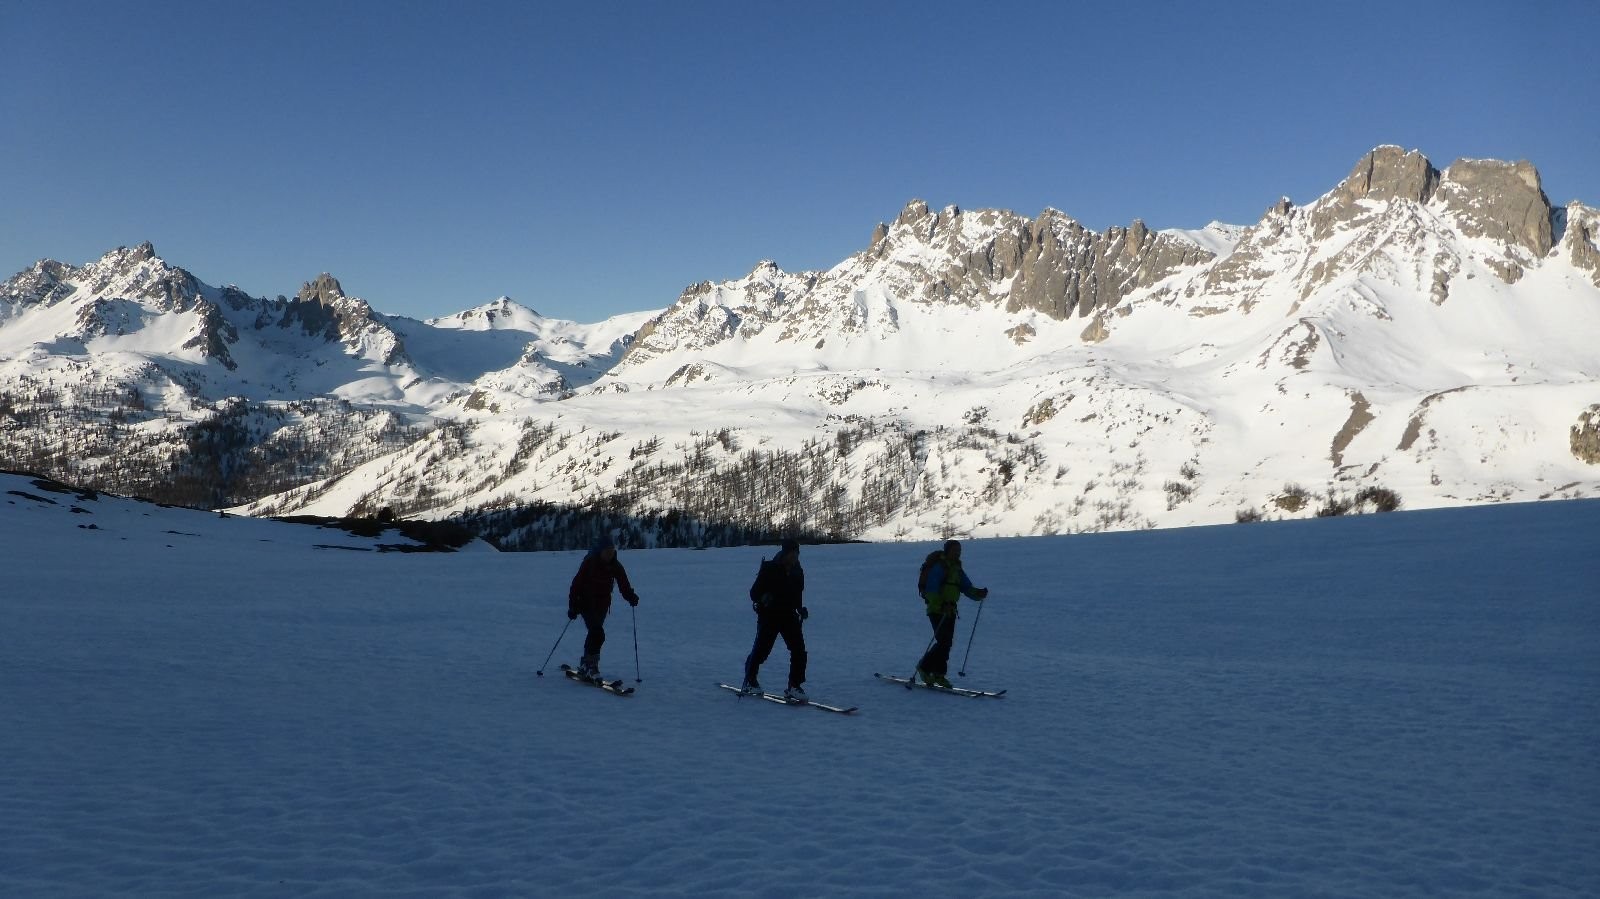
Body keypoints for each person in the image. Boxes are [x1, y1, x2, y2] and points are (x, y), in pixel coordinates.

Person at [743, 538, 809, 702]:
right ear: (785, 553)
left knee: (799, 650)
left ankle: (794, 686)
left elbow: (797, 595)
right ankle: (750, 680)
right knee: (761, 651)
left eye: (797, 553)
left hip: (788, 616)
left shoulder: (798, 572)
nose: (794, 557)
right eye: (792, 553)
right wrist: (764, 597)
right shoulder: (770, 568)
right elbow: (753, 593)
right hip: (769, 616)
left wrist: (800, 609)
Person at [916, 539, 988, 688]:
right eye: (955, 550)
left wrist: (978, 594)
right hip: (937, 610)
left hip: (950, 610)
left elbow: (967, 588)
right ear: (948, 550)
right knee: (944, 641)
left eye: (959, 550)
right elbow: (931, 590)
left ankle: (938, 675)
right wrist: (941, 605)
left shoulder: (956, 568)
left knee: (946, 643)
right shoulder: (939, 567)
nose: (958, 553)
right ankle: (924, 668)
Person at [567, 535, 639, 680]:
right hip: (586, 603)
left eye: (612, 552)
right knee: (597, 633)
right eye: (607, 552)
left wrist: (630, 596)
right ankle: (591, 665)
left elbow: (623, 584)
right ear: (600, 552)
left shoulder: (616, 566)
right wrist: (573, 605)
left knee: (594, 633)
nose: (609, 555)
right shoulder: (589, 563)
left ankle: (586, 663)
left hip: (602, 605)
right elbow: (576, 585)